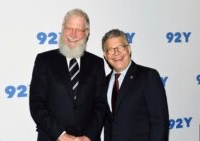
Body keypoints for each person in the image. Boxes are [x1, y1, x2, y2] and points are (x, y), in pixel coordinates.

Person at [29, 8, 106, 141]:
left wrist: (88, 136)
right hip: (52, 137)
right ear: (62, 29)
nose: (73, 34)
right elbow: (37, 103)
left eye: (79, 30)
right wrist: (60, 135)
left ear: (87, 33)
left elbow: (101, 104)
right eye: (69, 28)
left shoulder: (96, 63)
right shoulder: (44, 60)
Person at [101, 29, 169, 141]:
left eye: (121, 47)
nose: (116, 53)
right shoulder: (104, 83)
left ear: (129, 49)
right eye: (111, 50)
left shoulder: (148, 76)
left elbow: (159, 122)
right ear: (105, 55)